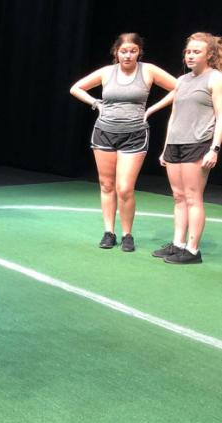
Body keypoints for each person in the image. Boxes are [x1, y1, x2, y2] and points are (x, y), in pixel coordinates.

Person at [70, 33, 176, 251]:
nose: (128, 55)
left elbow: (179, 87)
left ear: (139, 52)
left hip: (135, 134)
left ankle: (128, 234)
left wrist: (153, 109)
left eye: (133, 51)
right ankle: (109, 232)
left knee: (125, 188)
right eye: (123, 51)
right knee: (107, 185)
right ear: (116, 52)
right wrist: (96, 104)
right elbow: (76, 88)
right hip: (104, 132)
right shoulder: (107, 72)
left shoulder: (148, 70)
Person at [152, 32, 222, 264]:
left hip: (198, 144)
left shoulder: (215, 78)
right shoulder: (181, 81)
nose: (190, 56)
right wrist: (165, 147)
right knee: (178, 196)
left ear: (209, 54)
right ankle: (178, 243)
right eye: (188, 51)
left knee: (193, 197)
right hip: (175, 144)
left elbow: (221, 115)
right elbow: (174, 116)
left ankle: (192, 250)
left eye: (196, 52)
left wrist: (215, 148)